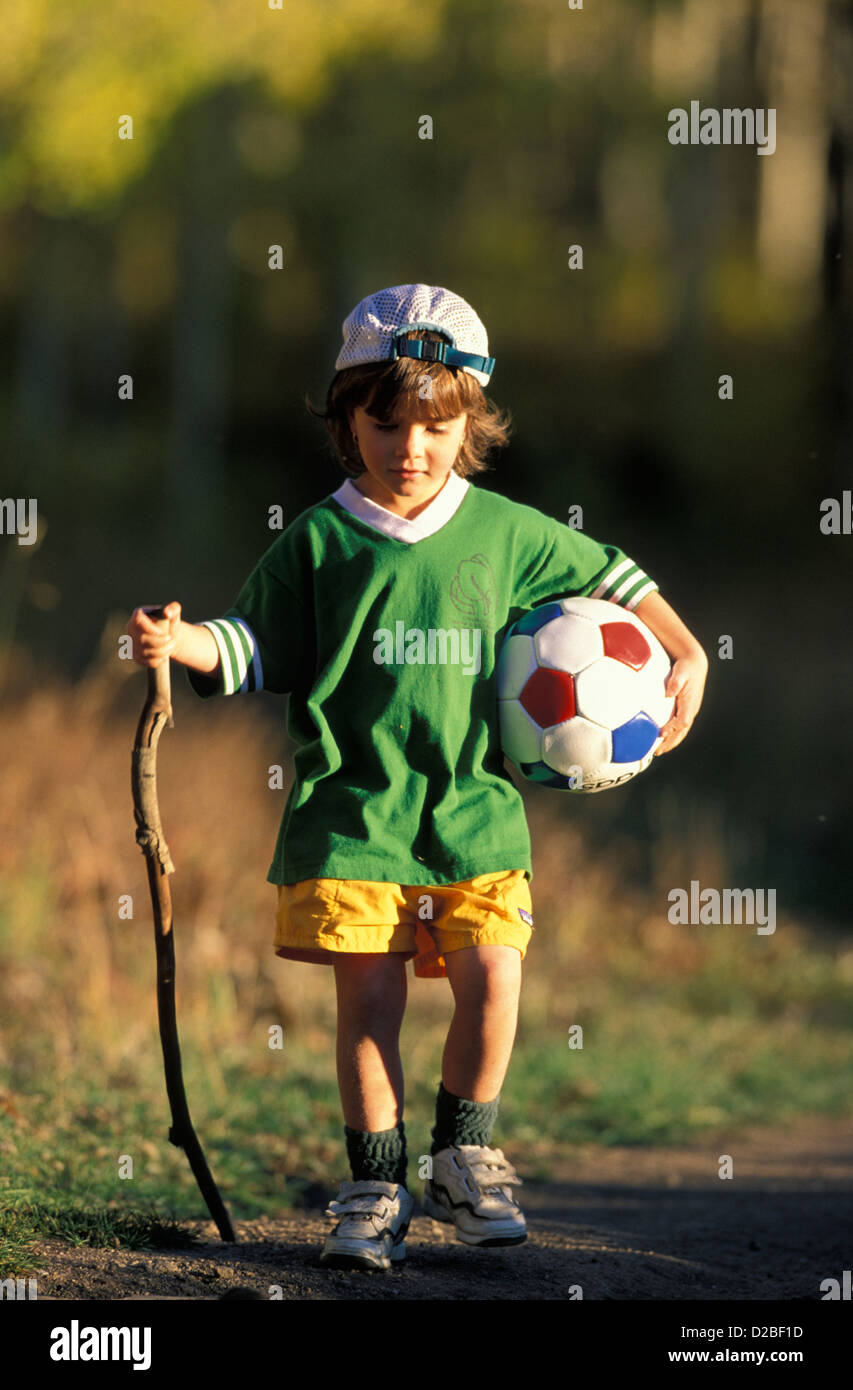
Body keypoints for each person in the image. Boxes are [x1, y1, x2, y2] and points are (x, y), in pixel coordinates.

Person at [127, 283, 708, 1272]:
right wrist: (180, 643)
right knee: (370, 1008)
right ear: (347, 421)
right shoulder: (319, 540)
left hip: (474, 815)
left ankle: (465, 1154)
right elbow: (256, 644)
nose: (412, 448)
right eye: (385, 423)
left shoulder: (509, 533)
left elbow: (612, 572)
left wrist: (685, 650)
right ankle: (375, 1184)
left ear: (469, 422)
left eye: (436, 427)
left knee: (493, 979)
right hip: (353, 817)